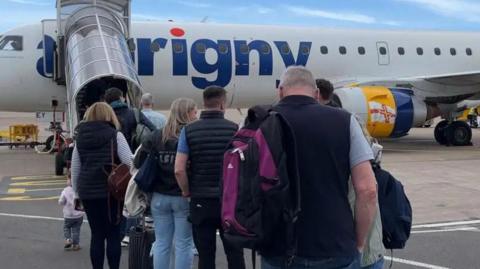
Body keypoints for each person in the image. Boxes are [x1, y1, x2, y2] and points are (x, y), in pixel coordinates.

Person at [261, 66, 378, 269]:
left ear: (280, 91)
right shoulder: (344, 120)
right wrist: (359, 242)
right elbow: (367, 190)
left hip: (278, 242)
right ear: (316, 93)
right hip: (335, 242)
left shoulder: (262, 121)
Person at [175, 86, 246, 269]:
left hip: (201, 200)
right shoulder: (234, 129)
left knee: (205, 255)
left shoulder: (188, 131)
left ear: (203, 104)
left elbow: (179, 169)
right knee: (235, 253)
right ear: (222, 104)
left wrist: (186, 190)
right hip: (229, 201)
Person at [134, 98, 198, 269]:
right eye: (194, 111)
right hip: (183, 194)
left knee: (162, 242)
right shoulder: (191, 135)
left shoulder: (157, 135)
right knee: (184, 243)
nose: (196, 114)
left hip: (159, 195)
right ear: (187, 113)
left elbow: (138, 161)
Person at [71, 102, 133, 269]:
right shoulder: (115, 135)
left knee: (96, 235)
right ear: (109, 115)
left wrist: (76, 193)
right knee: (113, 235)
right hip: (111, 192)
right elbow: (129, 162)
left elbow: (75, 168)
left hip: (87, 191)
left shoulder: (80, 138)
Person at [348, 117, 385, 269]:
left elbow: (367, 193)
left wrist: (359, 245)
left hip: (354, 250)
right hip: (372, 250)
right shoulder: (369, 165)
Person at [59, 178, 84, 251]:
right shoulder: (80, 189)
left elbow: (61, 201)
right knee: (76, 230)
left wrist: (63, 203)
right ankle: (76, 245)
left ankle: (68, 239)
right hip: (79, 214)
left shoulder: (65, 191)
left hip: (68, 215)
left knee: (66, 227)